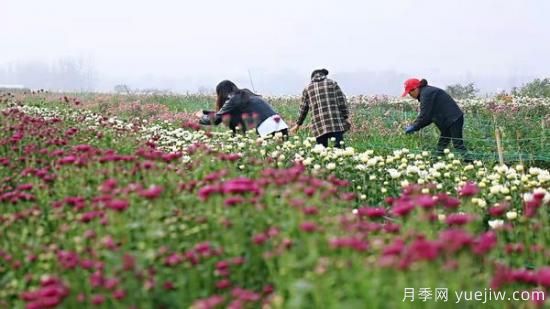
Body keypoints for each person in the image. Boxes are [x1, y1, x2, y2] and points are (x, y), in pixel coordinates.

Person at [197, 80, 288, 138]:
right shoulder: (245, 95)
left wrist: (201, 116)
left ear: (221, 94)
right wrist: (206, 112)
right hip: (281, 126)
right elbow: (222, 114)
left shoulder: (233, 99)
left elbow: (216, 119)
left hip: (267, 129)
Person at [402, 78, 469, 157]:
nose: (410, 95)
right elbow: (429, 116)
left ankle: (471, 162)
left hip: (453, 119)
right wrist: (416, 126)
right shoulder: (426, 92)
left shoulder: (426, 94)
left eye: (410, 92)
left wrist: (414, 126)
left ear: (415, 89)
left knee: (458, 145)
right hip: (448, 120)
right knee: (442, 143)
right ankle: (437, 160)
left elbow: (425, 115)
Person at [290, 69, 350, 148]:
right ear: (324, 75)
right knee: (339, 149)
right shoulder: (332, 83)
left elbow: (303, 109)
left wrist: (297, 124)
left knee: (321, 151)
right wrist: (346, 117)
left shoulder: (308, 88)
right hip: (336, 123)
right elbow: (341, 100)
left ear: (312, 77)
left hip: (319, 125)